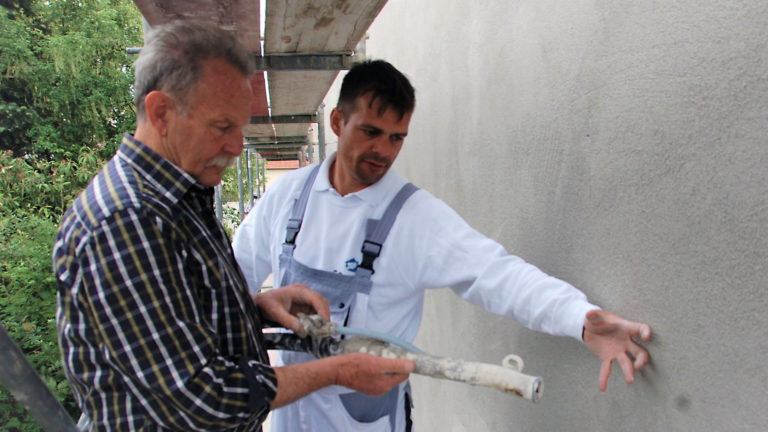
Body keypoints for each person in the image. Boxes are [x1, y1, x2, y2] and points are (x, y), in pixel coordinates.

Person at [232, 59, 653, 432]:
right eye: (371, 132)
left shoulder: (413, 216)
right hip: (290, 411)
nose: (384, 151)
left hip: (364, 421)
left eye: (397, 138)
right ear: (338, 122)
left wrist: (576, 317)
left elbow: (494, 273)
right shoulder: (287, 197)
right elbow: (232, 275)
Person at [53, 22, 413, 431]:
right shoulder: (128, 221)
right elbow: (200, 397)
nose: (237, 146)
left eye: (240, 127)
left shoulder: (180, 194)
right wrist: (336, 371)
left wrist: (254, 308)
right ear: (161, 112)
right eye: (222, 127)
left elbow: (175, 322)